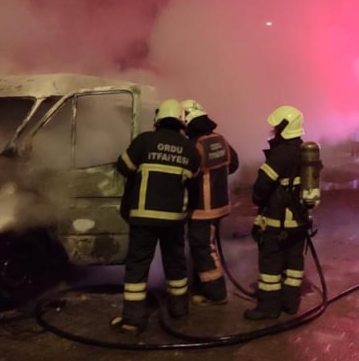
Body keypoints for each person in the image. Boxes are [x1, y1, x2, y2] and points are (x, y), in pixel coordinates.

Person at [112, 99, 201, 334]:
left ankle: (132, 320)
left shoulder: (145, 141)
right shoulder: (190, 149)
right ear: (182, 122)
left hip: (143, 218)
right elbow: (194, 187)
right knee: (176, 264)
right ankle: (179, 310)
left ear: (158, 119)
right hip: (174, 220)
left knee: (137, 267)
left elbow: (123, 167)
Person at [244, 105, 312, 320]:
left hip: (278, 221)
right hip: (300, 221)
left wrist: (258, 201)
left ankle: (269, 307)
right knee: (294, 264)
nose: (272, 130)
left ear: (284, 127)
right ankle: (290, 303)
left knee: (270, 265)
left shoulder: (281, 152)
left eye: (276, 126)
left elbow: (263, 184)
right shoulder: (305, 150)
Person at [180, 99, 239, 306]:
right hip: (220, 203)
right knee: (204, 247)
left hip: (201, 208)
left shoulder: (194, 146)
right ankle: (200, 289)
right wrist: (217, 179)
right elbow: (234, 164)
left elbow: (187, 175)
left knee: (202, 248)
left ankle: (216, 293)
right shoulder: (221, 140)